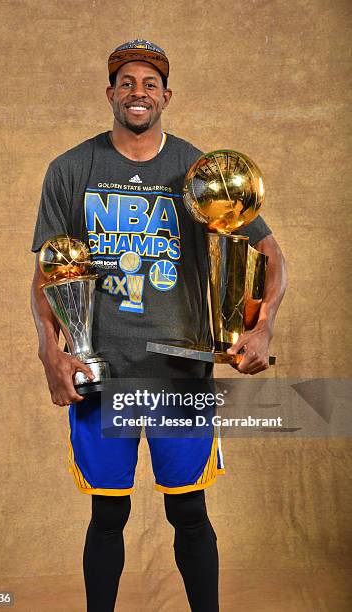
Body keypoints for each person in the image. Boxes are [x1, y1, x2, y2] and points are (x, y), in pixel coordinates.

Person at [31, 40, 287, 612]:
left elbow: (270, 251)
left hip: (179, 372)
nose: (138, 92)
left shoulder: (199, 171)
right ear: (110, 94)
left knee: (189, 512)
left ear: (166, 96)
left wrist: (262, 326)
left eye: (149, 83)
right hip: (103, 369)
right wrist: (51, 352)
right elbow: (48, 271)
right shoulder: (73, 169)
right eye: (126, 82)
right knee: (108, 513)